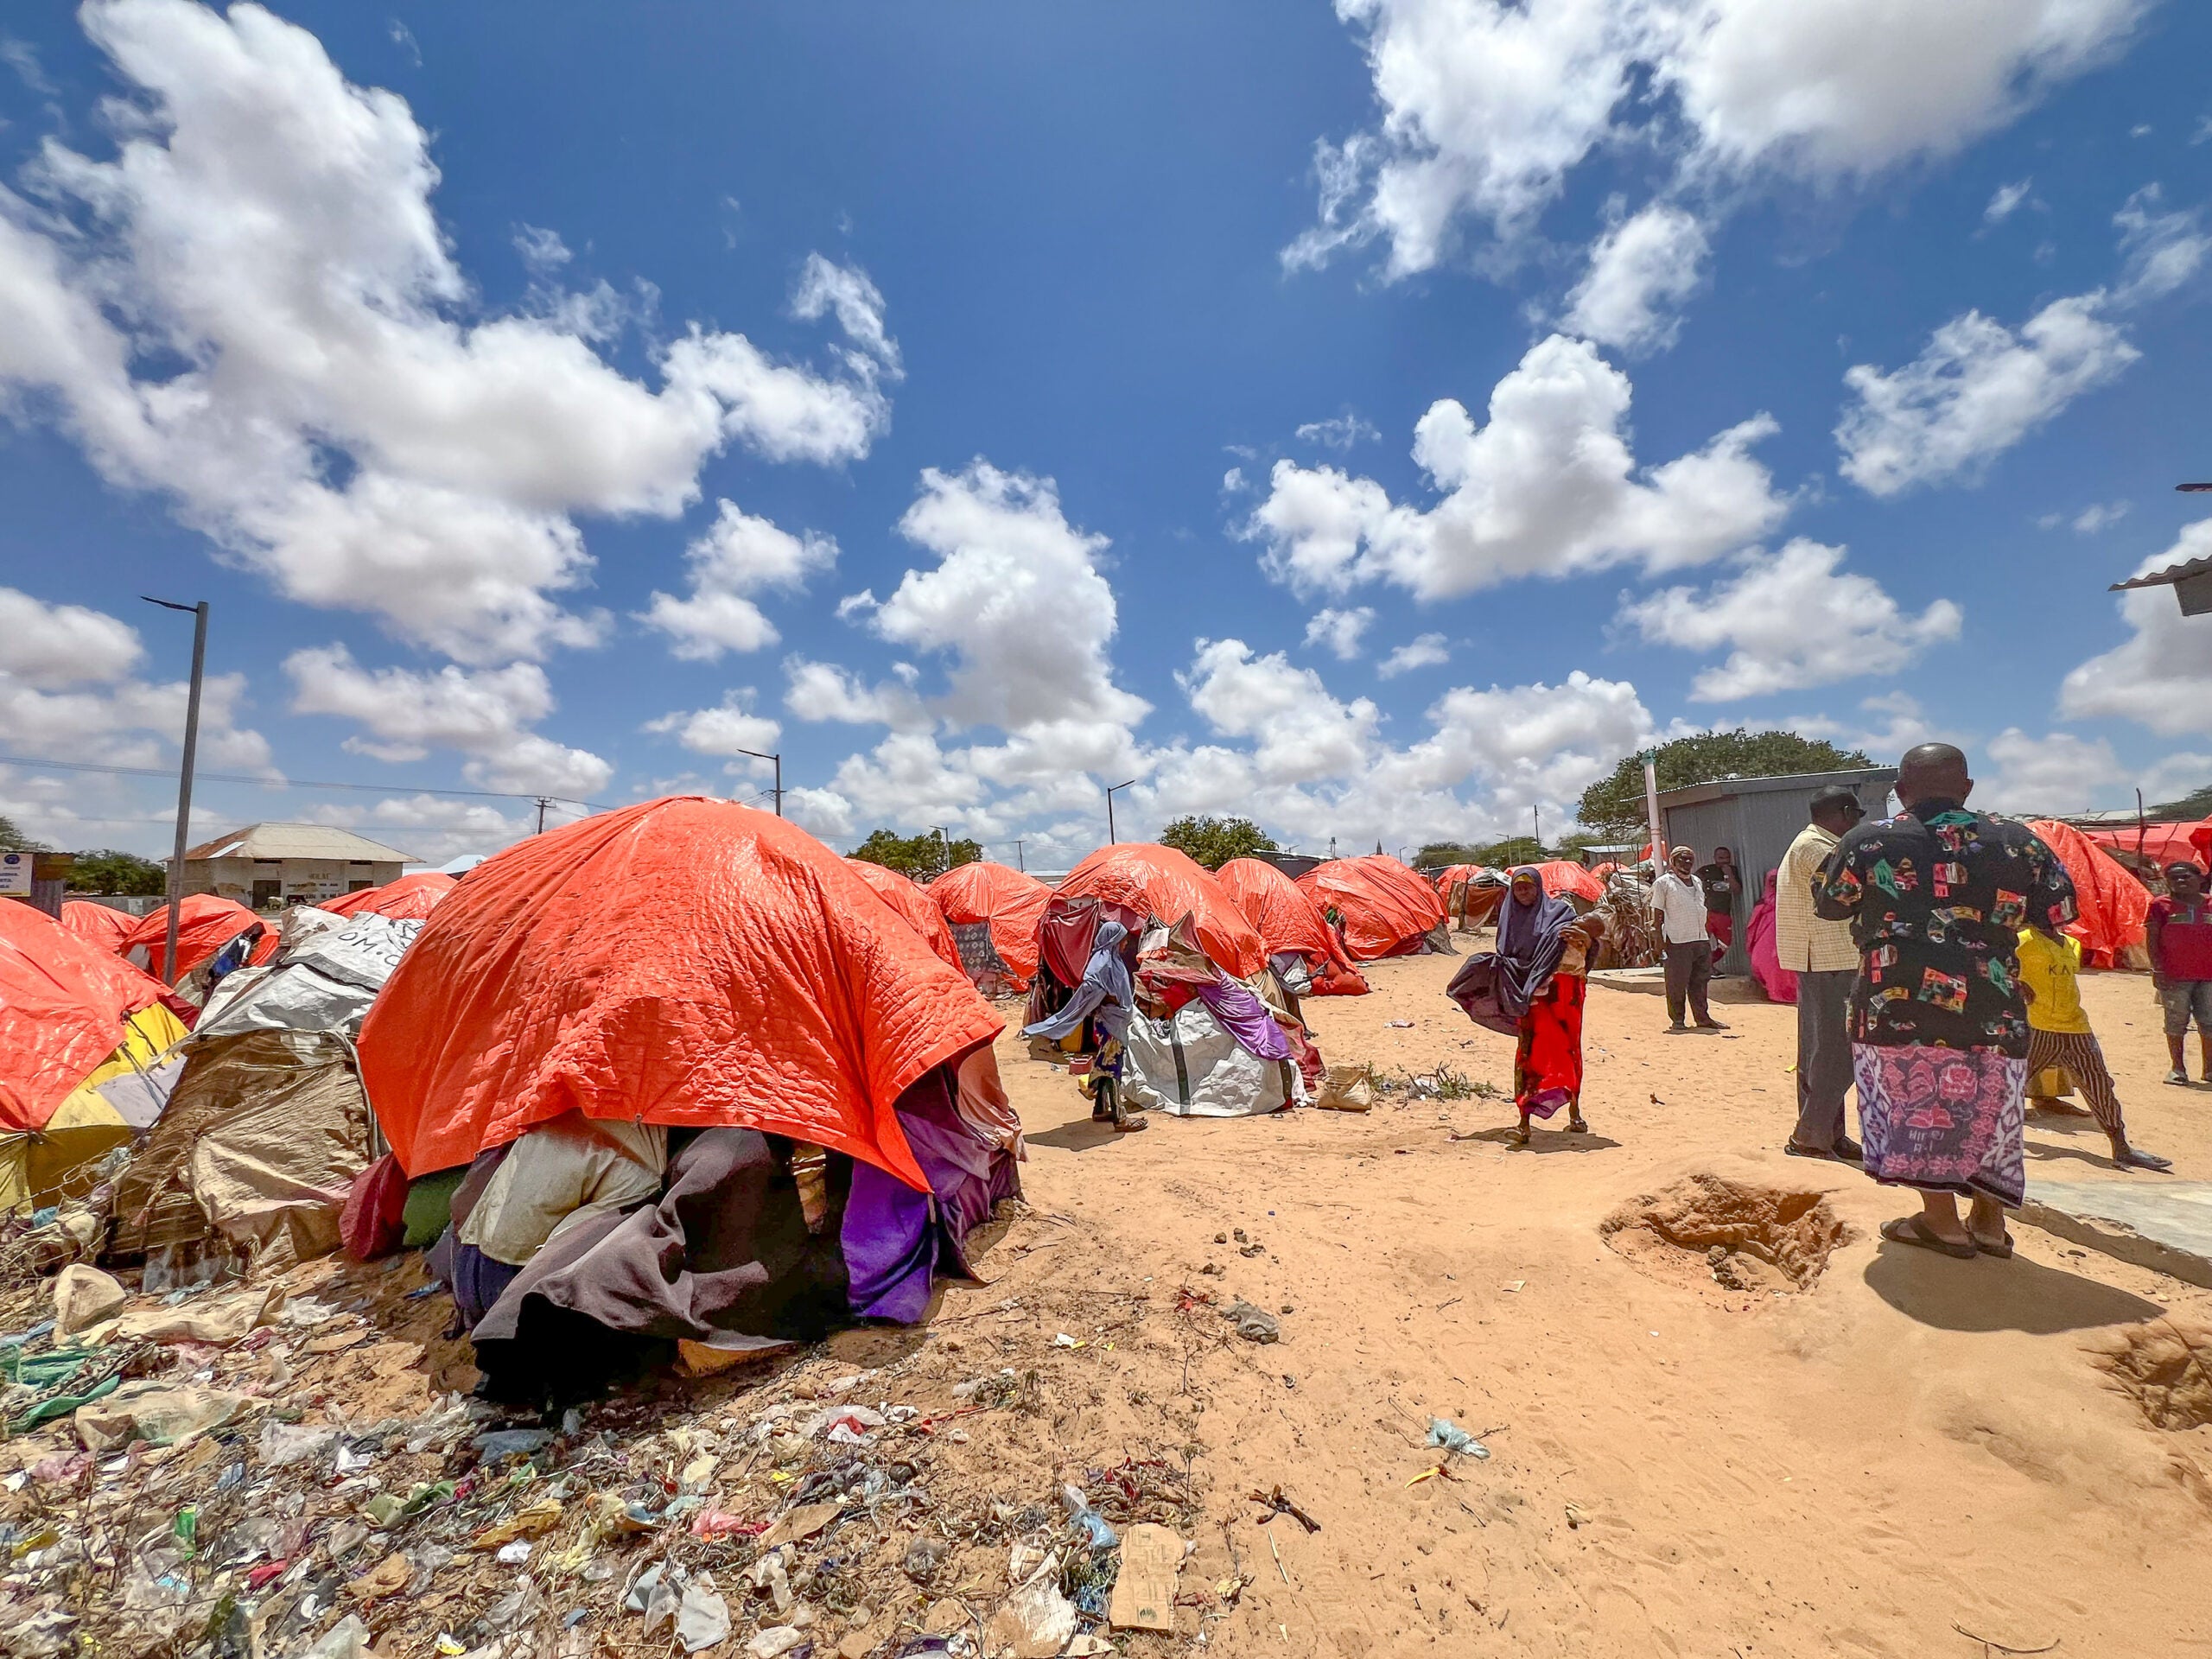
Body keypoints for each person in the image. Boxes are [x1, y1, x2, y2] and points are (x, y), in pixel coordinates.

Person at [1815, 744, 2075, 1259]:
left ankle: (1941, 1222)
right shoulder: (2019, 842)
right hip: (1993, 1002)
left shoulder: (1868, 841)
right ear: (1968, 788)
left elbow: (1829, 905)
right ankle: (1988, 1222)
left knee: (1915, 1103)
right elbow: (2061, 909)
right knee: (1992, 1107)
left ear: (1901, 792)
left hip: (1896, 1004)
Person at [1446, 868, 1600, 1143]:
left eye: (1529, 887)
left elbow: (1590, 941)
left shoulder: (1561, 913)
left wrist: (1585, 939)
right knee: (1529, 1053)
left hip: (1566, 993)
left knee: (1569, 1049)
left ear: (1538, 888)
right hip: (1532, 995)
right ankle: (1524, 1122)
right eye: (1518, 888)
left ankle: (1575, 1113)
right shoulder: (1510, 921)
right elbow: (1508, 957)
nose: (1524, 892)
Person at [2017, 918, 2171, 1171]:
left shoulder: (2071, 944)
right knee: (2012, 1083)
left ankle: (2121, 1146)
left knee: (2098, 1084)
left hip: (2075, 1026)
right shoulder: (2021, 941)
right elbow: (1996, 965)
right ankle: (1984, 1140)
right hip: (2038, 1025)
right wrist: (2017, 983)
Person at [1776, 785, 1866, 1160]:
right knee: (1835, 1051)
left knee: (1820, 1050)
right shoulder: (1818, 848)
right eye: (1855, 817)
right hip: (1830, 959)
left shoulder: (1810, 843)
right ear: (1844, 812)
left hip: (1825, 960)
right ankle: (1812, 1133)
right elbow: (1855, 894)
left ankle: (1826, 1132)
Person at [1020, 918, 1144, 1131]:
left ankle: (1100, 1110)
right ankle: (1119, 1118)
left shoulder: (1110, 961)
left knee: (1106, 1065)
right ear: (1114, 940)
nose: (1125, 944)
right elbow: (1093, 988)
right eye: (1122, 940)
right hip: (1110, 1024)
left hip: (1114, 1022)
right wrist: (1109, 999)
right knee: (1112, 1068)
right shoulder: (1103, 964)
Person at [2146, 861, 2212, 1085]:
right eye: (2175, 878)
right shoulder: (2160, 905)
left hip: (2209, 976)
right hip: (2174, 975)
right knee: (2176, 1021)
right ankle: (2177, 1068)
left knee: (2209, 1021)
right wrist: (2157, 969)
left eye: (2186, 877)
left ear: (2200, 879)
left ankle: (2209, 1070)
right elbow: (2153, 939)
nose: (2181, 881)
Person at [1651, 845, 1724, 1032]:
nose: (1687, 863)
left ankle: (1703, 1018)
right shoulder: (1664, 883)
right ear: (1673, 861)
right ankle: (1678, 1020)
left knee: (1700, 981)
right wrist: (1658, 939)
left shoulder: (1697, 882)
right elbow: (1657, 913)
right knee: (1677, 982)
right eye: (1683, 859)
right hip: (1677, 940)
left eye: (1690, 859)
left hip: (1700, 938)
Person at [1695, 846, 1743, 950]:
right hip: (1706, 913)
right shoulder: (1706, 871)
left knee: (1724, 945)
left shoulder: (1732, 871)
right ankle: (1704, 965)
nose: (1724, 861)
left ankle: (1711, 962)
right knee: (1702, 942)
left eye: (1727, 858)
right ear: (1715, 858)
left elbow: (1737, 890)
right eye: (1721, 858)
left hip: (1722, 913)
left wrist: (1729, 875)